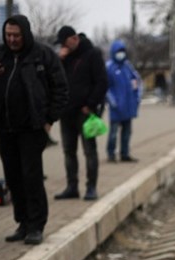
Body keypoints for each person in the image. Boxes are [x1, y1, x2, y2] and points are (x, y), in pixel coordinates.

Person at [0, 15, 68, 247]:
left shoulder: (42, 55)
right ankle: (23, 222)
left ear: (25, 34)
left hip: (32, 127)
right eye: (8, 35)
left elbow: (60, 89)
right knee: (13, 177)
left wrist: (49, 120)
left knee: (31, 177)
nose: (12, 39)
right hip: (4, 127)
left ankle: (36, 226)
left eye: (16, 35)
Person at [53, 25, 107, 202]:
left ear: (74, 38)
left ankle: (91, 187)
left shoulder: (92, 54)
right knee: (69, 151)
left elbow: (101, 82)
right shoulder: (65, 58)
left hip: (85, 112)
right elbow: (55, 80)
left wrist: (91, 104)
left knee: (89, 151)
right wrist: (59, 60)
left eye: (65, 43)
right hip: (66, 112)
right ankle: (72, 186)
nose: (63, 47)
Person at [105, 40, 142, 163]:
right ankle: (111, 153)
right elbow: (106, 87)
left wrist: (136, 98)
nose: (120, 54)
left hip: (128, 106)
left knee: (127, 132)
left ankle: (125, 154)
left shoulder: (128, 67)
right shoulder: (109, 67)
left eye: (122, 51)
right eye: (118, 52)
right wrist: (112, 101)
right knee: (114, 133)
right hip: (116, 107)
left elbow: (136, 82)